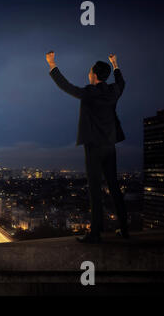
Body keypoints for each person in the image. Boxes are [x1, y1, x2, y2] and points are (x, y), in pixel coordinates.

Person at [45, 51, 129, 243]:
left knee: (95, 190)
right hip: (110, 145)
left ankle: (95, 233)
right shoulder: (114, 91)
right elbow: (122, 82)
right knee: (114, 187)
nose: (88, 74)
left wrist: (52, 64)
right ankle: (124, 229)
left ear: (94, 75)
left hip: (94, 147)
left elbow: (66, 86)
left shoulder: (89, 93)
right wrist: (115, 64)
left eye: (90, 71)